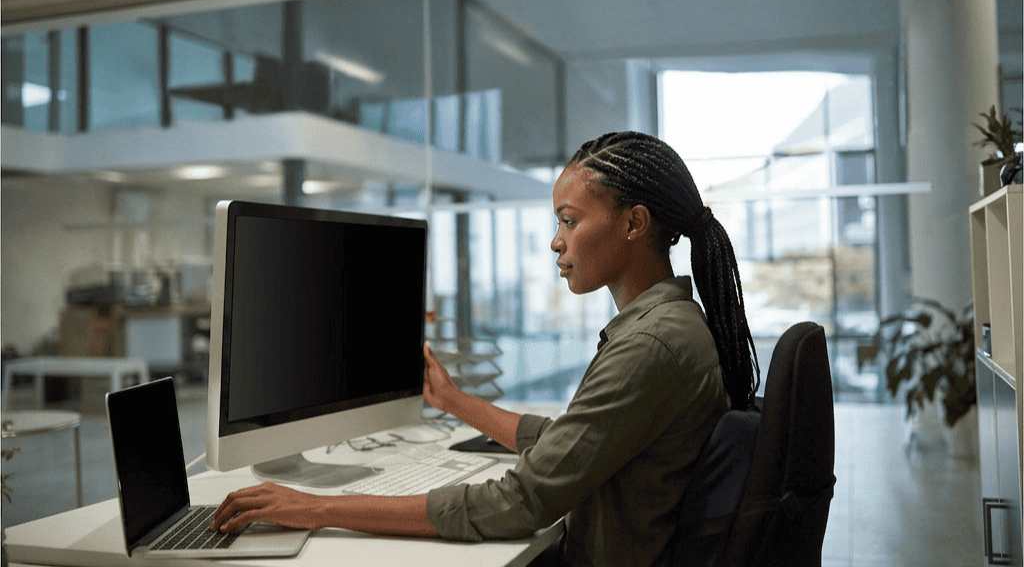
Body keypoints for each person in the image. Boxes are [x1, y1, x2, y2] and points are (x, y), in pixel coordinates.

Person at [210, 131, 760, 567]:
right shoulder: (674, 324)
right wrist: (455, 402)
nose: (555, 241)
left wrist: (315, 509)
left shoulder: (649, 345)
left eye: (569, 221)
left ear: (634, 223)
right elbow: (575, 444)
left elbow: (519, 503)